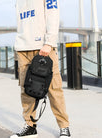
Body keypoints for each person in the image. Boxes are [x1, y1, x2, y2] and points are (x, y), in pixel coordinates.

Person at [10, 0, 71, 138]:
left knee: (54, 89)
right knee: (27, 90)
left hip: (43, 47)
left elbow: (53, 14)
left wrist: (49, 42)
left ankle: (64, 127)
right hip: (22, 47)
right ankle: (30, 127)